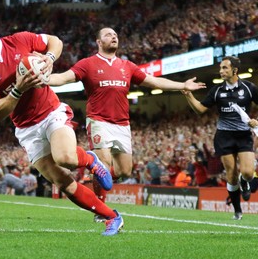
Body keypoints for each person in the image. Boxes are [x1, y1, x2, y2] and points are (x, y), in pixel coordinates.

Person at [0, 13, 122, 236]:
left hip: (50, 111)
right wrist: (18, 90)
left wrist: (49, 57)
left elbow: (55, 41)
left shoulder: (19, 40)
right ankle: (112, 217)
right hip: (26, 128)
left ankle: (91, 160)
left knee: (65, 158)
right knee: (63, 182)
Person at [47, 27, 206, 222]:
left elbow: (153, 82)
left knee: (124, 171)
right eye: (108, 35)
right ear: (98, 42)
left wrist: (182, 85)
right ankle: (101, 208)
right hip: (98, 121)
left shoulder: (127, 66)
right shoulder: (88, 64)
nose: (113, 37)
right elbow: (64, 78)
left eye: (115, 35)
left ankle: (94, 178)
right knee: (104, 164)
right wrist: (44, 78)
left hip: (122, 124)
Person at [182, 56, 258, 220]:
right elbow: (200, 109)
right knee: (230, 174)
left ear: (234, 70)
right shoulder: (217, 90)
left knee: (248, 173)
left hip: (244, 135)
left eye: (225, 68)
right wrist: (189, 95)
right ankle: (237, 211)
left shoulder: (249, 88)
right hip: (224, 136)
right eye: (221, 68)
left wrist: (256, 121)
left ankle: (244, 181)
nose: (221, 71)